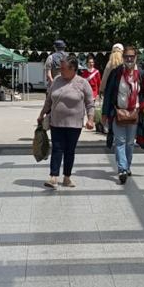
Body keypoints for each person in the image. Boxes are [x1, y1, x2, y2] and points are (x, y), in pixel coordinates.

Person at [38, 55, 94, 189]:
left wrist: (91, 119)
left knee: (70, 150)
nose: (60, 71)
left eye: (63, 68)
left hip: (74, 125)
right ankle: (53, 177)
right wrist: (41, 114)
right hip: (56, 122)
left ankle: (67, 177)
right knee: (57, 148)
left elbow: (90, 103)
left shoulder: (82, 83)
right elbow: (49, 101)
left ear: (73, 69)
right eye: (60, 68)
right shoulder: (57, 80)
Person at [102, 46, 144, 185]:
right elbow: (108, 94)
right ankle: (122, 169)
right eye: (126, 57)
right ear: (123, 58)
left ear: (136, 57)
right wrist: (105, 113)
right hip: (118, 112)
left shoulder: (140, 73)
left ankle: (127, 166)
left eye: (132, 56)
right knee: (120, 142)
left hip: (134, 114)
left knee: (130, 143)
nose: (129, 59)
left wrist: (140, 107)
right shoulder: (116, 73)